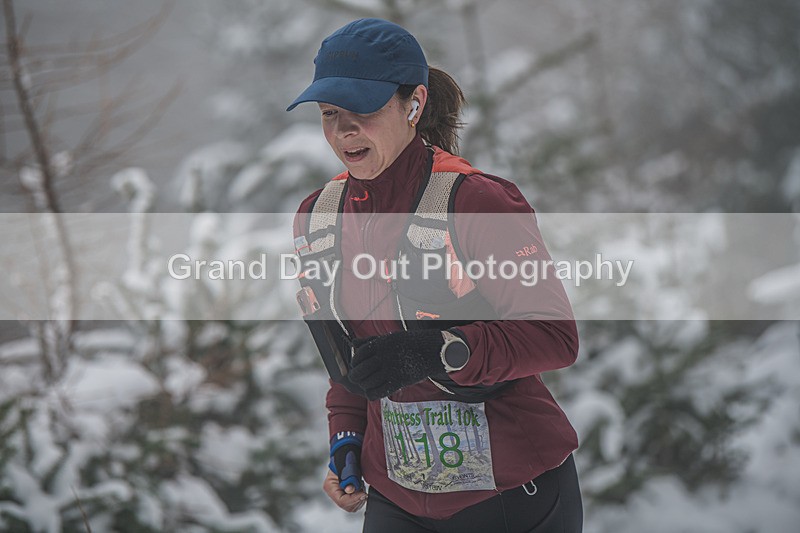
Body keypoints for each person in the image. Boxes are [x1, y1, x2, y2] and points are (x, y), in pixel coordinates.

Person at [288, 18, 583, 533]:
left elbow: (556, 337)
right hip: (397, 497)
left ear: (414, 104)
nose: (344, 130)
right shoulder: (318, 217)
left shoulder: (476, 201)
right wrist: (346, 440)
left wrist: (439, 350)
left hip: (512, 492)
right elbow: (349, 360)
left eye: (363, 110)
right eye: (330, 113)